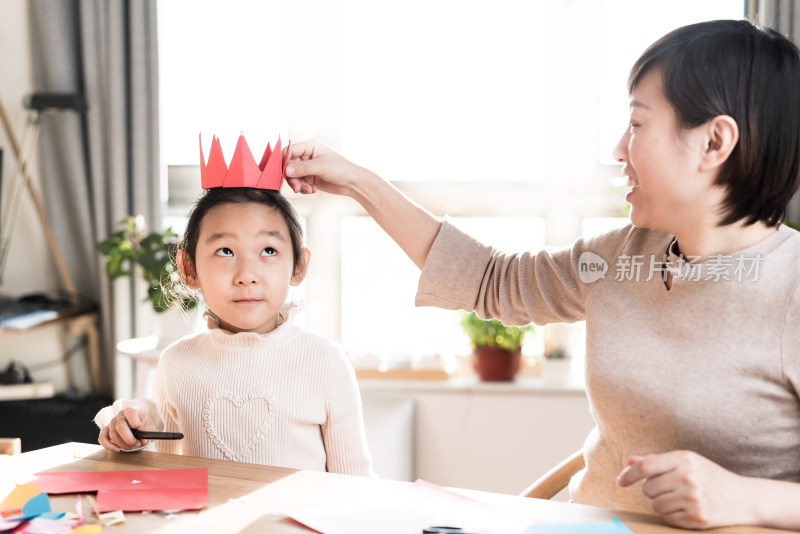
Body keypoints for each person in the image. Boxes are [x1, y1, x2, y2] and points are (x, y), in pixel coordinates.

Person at [282, 19, 800, 529]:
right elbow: (489, 279)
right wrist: (356, 182)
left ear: (714, 142)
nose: (619, 150)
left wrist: (747, 497)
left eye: (638, 124)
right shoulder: (618, 258)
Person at [95, 186, 373, 476]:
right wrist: (133, 439)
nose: (246, 276)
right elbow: (165, 474)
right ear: (189, 268)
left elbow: (355, 482)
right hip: (207, 522)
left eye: (268, 250)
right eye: (225, 251)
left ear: (298, 266)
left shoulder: (324, 360)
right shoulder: (177, 362)